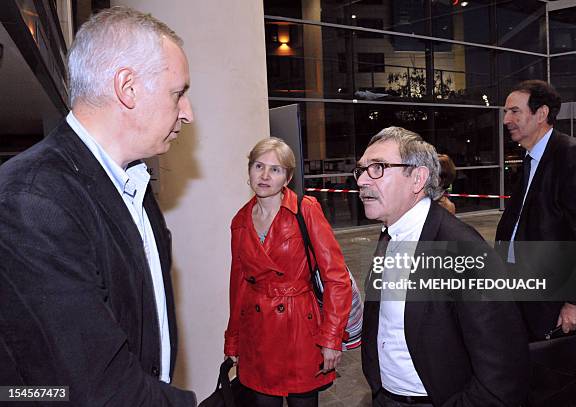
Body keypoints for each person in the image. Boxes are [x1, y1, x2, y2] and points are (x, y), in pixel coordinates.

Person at [0, 7, 196, 405]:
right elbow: (90, 391)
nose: (187, 113)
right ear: (128, 87)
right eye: (179, 93)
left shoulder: (132, 182)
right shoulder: (32, 200)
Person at [357, 127, 529, 406]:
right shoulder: (390, 233)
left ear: (417, 178)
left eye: (377, 167)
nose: (363, 180)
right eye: (362, 169)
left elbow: (503, 367)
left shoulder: (461, 247)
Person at [224, 137, 352, 407]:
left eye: (275, 169)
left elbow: (336, 279)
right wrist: (233, 340)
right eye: (259, 166)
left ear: (288, 177)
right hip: (258, 333)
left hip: (301, 331)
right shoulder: (240, 222)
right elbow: (239, 285)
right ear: (249, 171)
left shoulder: (305, 211)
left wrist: (331, 337)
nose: (265, 175)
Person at [495, 80, 576, 341]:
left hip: (554, 297)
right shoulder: (530, 159)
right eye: (505, 112)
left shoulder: (571, 154)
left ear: (541, 114)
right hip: (522, 288)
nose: (506, 120)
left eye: (514, 111)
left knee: (556, 373)